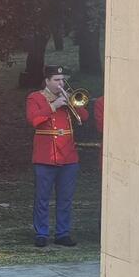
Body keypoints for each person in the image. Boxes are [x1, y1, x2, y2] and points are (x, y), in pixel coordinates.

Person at [26, 65, 89, 248]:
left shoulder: (67, 97)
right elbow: (34, 120)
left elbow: (84, 117)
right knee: (42, 197)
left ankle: (63, 233)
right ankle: (41, 233)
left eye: (62, 80)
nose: (61, 83)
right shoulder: (35, 97)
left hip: (68, 156)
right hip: (45, 156)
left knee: (65, 198)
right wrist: (53, 106)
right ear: (47, 81)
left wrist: (72, 102)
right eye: (56, 80)